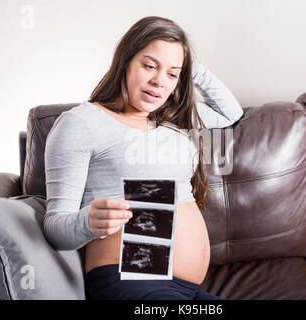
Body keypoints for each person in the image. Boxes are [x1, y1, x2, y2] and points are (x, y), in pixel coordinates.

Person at [43, 16, 243, 300]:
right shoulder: (82, 122)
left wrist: (184, 65)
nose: (159, 81)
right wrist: (86, 223)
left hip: (185, 289)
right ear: (125, 60)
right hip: (133, 281)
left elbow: (230, 115)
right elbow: (54, 229)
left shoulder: (172, 120)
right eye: (149, 65)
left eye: (172, 74)